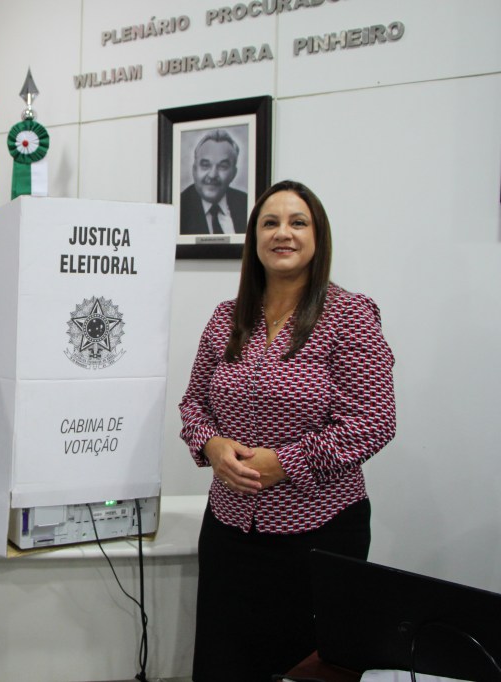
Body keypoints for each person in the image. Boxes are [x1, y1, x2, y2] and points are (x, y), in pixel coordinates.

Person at [178, 180, 395, 681]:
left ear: (318, 237)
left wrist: (286, 463)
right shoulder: (226, 317)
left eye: (298, 222)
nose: (283, 233)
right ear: (254, 238)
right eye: (270, 223)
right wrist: (211, 444)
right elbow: (194, 404)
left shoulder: (349, 316)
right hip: (229, 531)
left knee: (302, 669)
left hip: (318, 535)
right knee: (224, 665)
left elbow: (374, 420)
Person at [179, 128, 249, 235]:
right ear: (194, 170)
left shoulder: (246, 204)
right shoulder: (180, 208)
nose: (212, 175)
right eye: (205, 165)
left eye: (223, 166)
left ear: (234, 173)